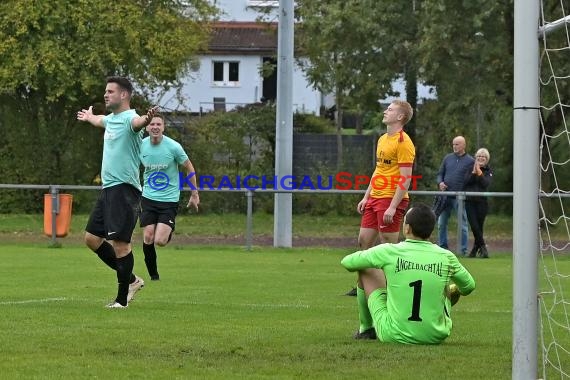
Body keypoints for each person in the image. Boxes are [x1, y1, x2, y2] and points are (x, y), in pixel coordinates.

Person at [341, 203, 476, 344]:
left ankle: (366, 329)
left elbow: (347, 262)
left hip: (393, 334)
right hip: (435, 336)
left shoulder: (389, 251)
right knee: (445, 286)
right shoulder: (446, 256)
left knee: (365, 267)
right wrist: (448, 294)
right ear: (430, 230)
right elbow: (469, 286)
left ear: (407, 228)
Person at [77, 76, 158, 308]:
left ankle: (121, 301)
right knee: (92, 239)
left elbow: (138, 123)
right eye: (105, 91)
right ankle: (132, 280)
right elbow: (100, 120)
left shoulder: (129, 119)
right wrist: (90, 117)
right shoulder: (111, 120)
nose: (106, 94)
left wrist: (147, 119)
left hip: (124, 190)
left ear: (124, 95)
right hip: (108, 190)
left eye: (110, 91)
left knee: (121, 244)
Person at [346, 100, 415, 296]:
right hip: (376, 197)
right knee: (363, 241)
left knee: (388, 247)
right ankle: (361, 286)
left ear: (400, 117)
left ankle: (393, 289)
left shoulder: (404, 142)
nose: (386, 111)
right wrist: (367, 196)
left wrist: (393, 206)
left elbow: (406, 178)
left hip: (391, 198)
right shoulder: (383, 138)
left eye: (390, 109)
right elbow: (379, 170)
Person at [140, 115, 200, 280]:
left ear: (163, 127)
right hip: (148, 197)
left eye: (159, 124)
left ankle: (167, 231)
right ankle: (153, 275)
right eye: (152, 124)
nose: (155, 127)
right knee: (148, 236)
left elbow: (189, 167)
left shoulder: (174, 147)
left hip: (169, 199)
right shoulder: (140, 145)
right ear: (146, 127)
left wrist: (194, 193)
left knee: (159, 240)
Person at [436, 136, 474, 255]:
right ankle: (443, 248)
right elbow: (440, 174)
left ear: (463, 145)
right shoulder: (448, 158)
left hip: (460, 198)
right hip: (445, 196)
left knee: (462, 224)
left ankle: (462, 250)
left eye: (457, 144)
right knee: (441, 223)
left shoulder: (470, 161)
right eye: (453, 144)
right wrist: (440, 182)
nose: (454, 146)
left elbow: (472, 179)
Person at [464, 148, 493, 258]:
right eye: (479, 156)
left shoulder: (488, 171)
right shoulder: (469, 168)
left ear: (487, 159)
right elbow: (465, 182)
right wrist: (473, 173)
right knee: (474, 226)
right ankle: (483, 248)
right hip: (470, 202)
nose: (481, 158)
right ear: (475, 158)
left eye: (483, 157)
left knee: (479, 227)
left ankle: (475, 250)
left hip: (482, 203)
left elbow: (485, 184)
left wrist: (479, 173)